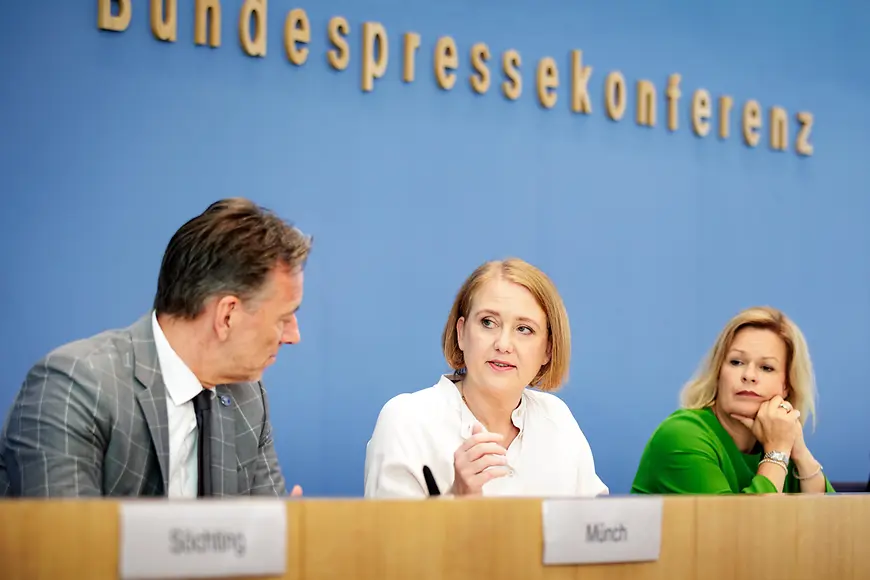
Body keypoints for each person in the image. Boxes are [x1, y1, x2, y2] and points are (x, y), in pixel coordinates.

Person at [0, 198, 311, 498]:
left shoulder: (247, 398)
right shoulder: (74, 389)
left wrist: (278, 539)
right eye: (284, 317)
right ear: (226, 315)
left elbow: (264, 537)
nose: (293, 336)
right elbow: (69, 545)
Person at [364, 258, 607, 498]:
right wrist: (457, 498)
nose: (503, 344)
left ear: (548, 350)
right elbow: (387, 536)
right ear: (461, 333)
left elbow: (594, 529)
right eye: (488, 322)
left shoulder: (557, 419)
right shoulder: (406, 421)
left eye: (524, 329)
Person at [631, 306, 834, 495]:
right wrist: (777, 454)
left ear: (786, 385)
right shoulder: (681, 434)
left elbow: (833, 525)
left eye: (766, 367)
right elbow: (737, 531)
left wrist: (799, 453)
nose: (749, 375)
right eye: (736, 362)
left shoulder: (777, 439)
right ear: (718, 372)